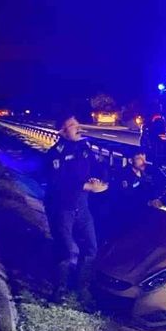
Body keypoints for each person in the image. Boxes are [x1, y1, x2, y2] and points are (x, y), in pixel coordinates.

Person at [44, 114, 108, 303]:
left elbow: (97, 166)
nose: (78, 127)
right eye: (72, 125)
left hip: (82, 207)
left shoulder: (84, 147)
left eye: (77, 123)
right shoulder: (55, 153)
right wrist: (85, 186)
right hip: (62, 207)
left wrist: (101, 181)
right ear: (62, 131)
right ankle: (59, 289)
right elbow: (57, 182)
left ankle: (82, 288)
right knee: (65, 249)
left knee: (90, 248)